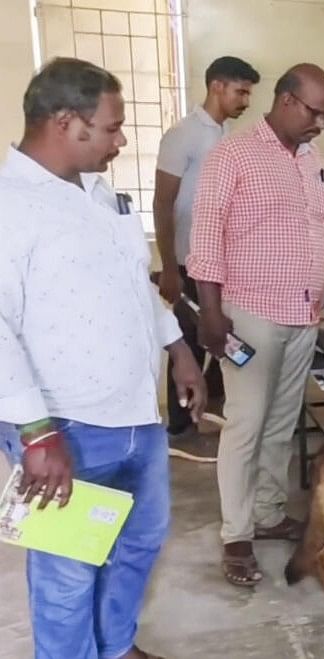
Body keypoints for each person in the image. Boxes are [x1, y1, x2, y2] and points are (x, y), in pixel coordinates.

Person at [0, 57, 206, 659]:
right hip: (63, 424)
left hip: (135, 412)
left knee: (139, 543)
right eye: (112, 127)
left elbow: (131, 284)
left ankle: (114, 647)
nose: (121, 140)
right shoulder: (11, 207)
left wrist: (177, 347)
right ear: (67, 122)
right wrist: (36, 434)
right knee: (67, 569)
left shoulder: (96, 191)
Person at [187, 63, 324, 588]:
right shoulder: (232, 155)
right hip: (249, 314)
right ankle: (237, 534)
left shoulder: (314, 160)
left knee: (281, 424)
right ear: (286, 100)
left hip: (302, 314)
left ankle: (270, 513)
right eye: (315, 112)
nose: (321, 123)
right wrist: (210, 312)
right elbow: (206, 235)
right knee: (246, 425)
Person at [154, 55, 259, 460]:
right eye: (241, 91)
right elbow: (164, 204)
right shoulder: (182, 136)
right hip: (186, 260)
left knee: (221, 340)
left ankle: (208, 412)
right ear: (217, 86)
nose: (246, 100)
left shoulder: (229, 135)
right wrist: (168, 267)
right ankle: (180, 427)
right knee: (186, 343)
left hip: (224, 263)